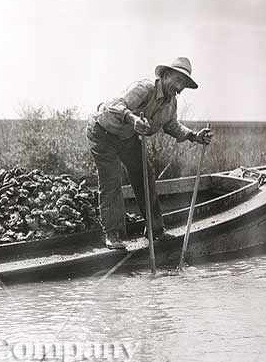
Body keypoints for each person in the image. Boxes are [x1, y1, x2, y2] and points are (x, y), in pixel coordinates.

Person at [86, 57, 212, 249]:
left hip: (126, 138)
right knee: (111, 179)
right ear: (166, 75)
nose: (180, 88)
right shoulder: (144, 88)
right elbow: (115, 105)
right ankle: (113, 234)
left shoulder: (171, 103)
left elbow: (172, 126)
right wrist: (132, 118)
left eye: (184, 85)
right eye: (178, 81)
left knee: (145, 174)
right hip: (102, 131)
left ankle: (155, 230)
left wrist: (194, 136)